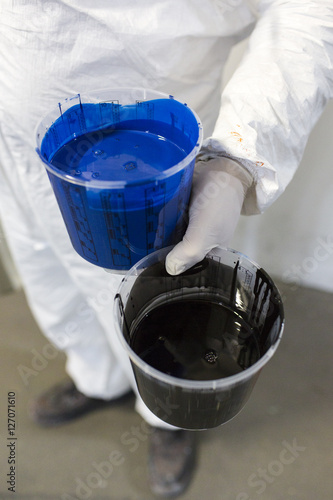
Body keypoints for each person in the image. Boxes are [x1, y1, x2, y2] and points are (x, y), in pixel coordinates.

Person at [0, 0, 332, 497]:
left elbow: (309, 11)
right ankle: (95, 380)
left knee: (157, 316)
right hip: (18, 151)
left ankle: (167, 417)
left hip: (154, 186)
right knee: (52, 283)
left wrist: (234, 164)